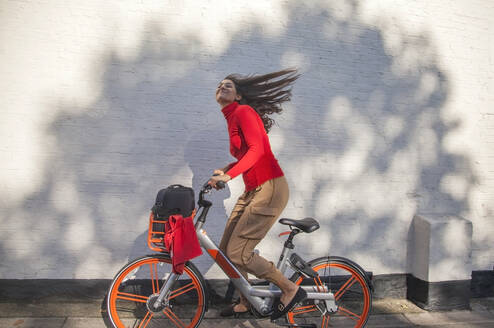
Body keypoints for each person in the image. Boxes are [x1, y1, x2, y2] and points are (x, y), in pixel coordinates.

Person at [208, 69, 307, 320]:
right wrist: (228, 169)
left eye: (228, 85)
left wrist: (229, 177)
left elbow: (257, 151)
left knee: (239, 253)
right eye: (220, 85)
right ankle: (246, 301)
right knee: (225, 254)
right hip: (254, 189)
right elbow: (245, 156)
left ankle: (289, 288)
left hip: (270, 187)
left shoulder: (243, 112)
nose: (222, 86)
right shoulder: (232, 117)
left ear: (239, 95)